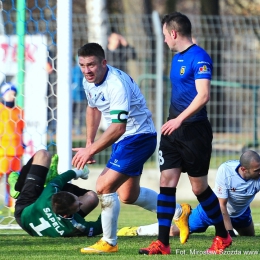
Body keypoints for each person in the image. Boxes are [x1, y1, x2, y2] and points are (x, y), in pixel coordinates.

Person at [139, 12, 232, 255]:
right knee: (166, 182)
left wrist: (180, 119)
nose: (164, 41)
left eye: (164, 36)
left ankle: (223, 237)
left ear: (173, 33)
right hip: (173, 129)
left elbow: (203, 95)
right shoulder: (177, 57)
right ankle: (163, 243)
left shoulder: (200, 57)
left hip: (194, 131)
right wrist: (174, 121)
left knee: (198, 188)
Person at [72, 43, 157, 254]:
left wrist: (90, 152)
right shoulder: (88, 80)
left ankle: (109, 242)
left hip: (138, 136)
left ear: (103, 63)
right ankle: (177, 212)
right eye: (82, 65)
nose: (86, 70)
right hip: (126, 139)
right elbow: (92, 108)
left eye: (91, 65)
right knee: (128, 195)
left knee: (103, 185)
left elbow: (119, 127)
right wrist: (89, 143)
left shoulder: (116, 84)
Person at [120, 150, 260, 238]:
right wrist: (228, 234)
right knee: (175, 231)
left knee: (249, 238)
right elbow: (221, 205)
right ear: (243, 169)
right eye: (257, 170)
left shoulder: (257, 174)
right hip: (212, 211)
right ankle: (137, 231)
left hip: (241, 213)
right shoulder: (226, 171)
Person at [7, 150, 102, 237]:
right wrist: (110, 201)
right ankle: (44, 181)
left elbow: (58, 180)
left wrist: (79, 171)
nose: (81, 203)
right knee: (92, 198)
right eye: (78, 204)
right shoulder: (75, 227)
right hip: (37, 212)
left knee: (43, 154)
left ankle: (18, 188)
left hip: (25, 210)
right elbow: (100, 226)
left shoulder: (48, 195)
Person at [0, 82, 24, 208]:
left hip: (16, 151)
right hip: (2, 152)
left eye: (13, 94)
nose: (11, 96)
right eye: (8, 93)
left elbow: (21, 130)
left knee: (13, 180)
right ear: (3, 95)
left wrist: (23, 143)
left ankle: (11, 204)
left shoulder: (19, 111)